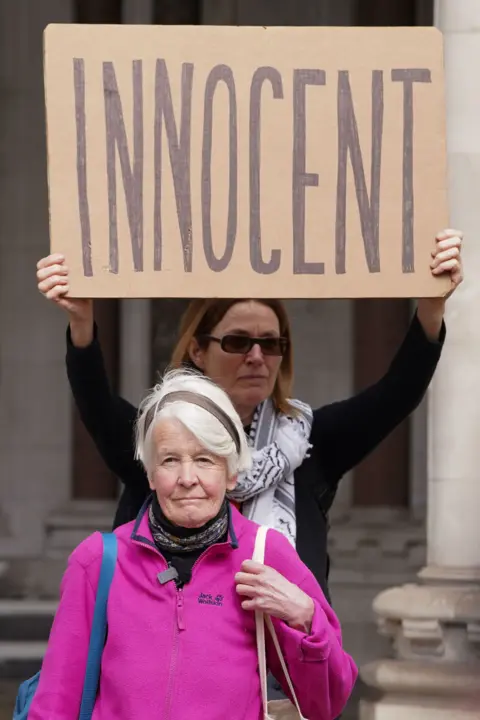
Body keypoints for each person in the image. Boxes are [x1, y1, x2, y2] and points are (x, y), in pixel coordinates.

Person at [36, 228, 464, 605]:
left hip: (277, 671)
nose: (257, 357)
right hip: (174, 657)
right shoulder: (159, 437)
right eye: (238, 341)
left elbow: (396, 395)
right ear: (198, 350)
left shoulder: (309, 442)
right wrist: (82, 322)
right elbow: (96, 401)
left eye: (272, 343)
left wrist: (430, 308)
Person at [28, 369, 357, 720]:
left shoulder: (266, 554)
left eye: (205, 460)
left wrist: (306, 620)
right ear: (151, 474)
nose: (188, 479)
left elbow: (326, 703)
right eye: (170, 460)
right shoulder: (98, 561)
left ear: (231, 472)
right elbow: (56, 702)